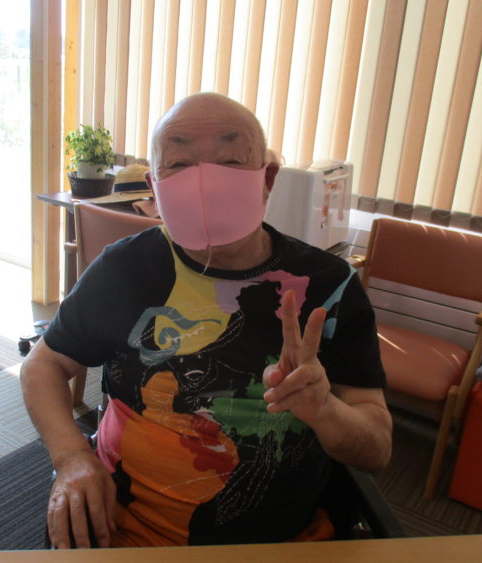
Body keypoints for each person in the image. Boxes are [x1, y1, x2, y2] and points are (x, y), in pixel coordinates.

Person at [20, 92, 392, 549]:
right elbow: (44, 364)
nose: (204, 184)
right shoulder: (124, 269)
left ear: (267, 179)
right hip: (121, 529)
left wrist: (324, 409)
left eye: (231, 161)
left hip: (276, 543)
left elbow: (377, 449)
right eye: (178, 164)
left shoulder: (329, 288)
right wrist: (72, 457)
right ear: (154, 188)